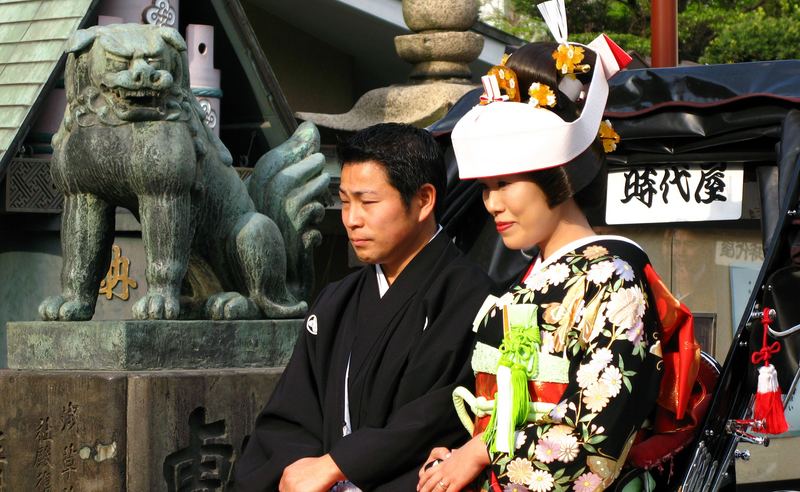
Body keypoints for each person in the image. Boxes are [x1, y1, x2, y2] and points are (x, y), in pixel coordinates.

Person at [417, 6, 698, 489]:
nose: (492, 203)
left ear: (557, 178)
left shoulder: (616, 281)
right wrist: (458, 451)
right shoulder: (531, 278)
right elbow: (491, 406)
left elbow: (595, 447)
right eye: (485, 187)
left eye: (505, 183)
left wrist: (481, 458)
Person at [234, 123, 494, 491]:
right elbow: (291, 415)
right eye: (344, 201)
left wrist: (338, 464)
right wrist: (307, 471)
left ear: (424, 200)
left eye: (368, 202)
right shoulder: (336, 301)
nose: (352, 219)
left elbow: (439, 414)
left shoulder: (472, 297)